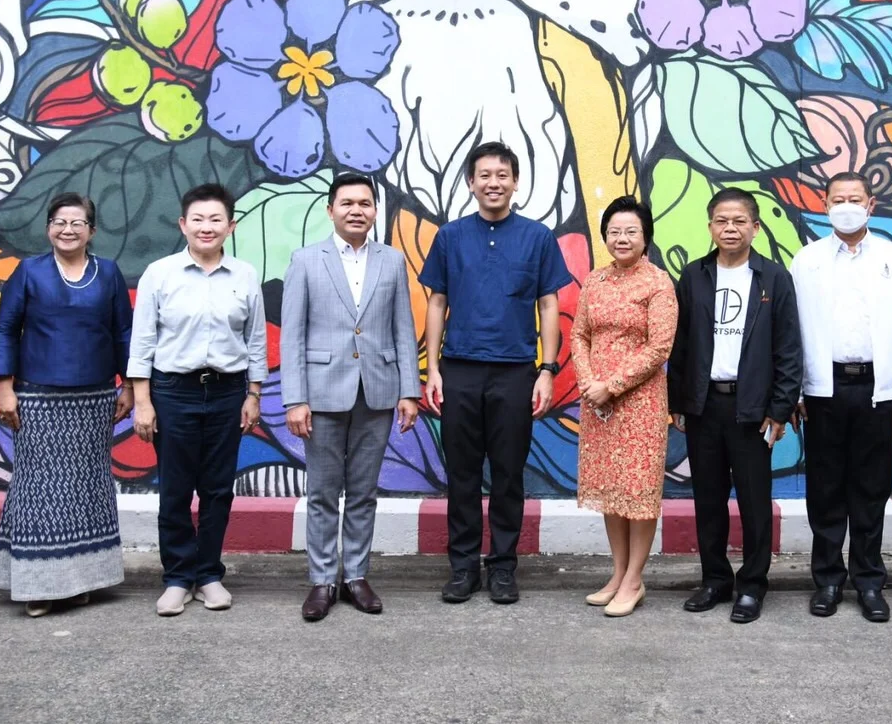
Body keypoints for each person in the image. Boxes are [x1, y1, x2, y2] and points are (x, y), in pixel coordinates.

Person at [420, 142, 573, 605]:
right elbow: (437, 302)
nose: (493, 183)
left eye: (502, 175)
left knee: (508, 474)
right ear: (471, 182)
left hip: (515, 373)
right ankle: (463, 567)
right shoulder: (450, 236)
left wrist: (547, 370)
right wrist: (433, 369)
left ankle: (503, 567)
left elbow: (549, 304)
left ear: (516, 182)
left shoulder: (537, 237)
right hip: (460, 370)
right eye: (484, 175)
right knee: (462, 474)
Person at [280, 173, 421, 623]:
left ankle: (356, 576)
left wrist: (409, 391)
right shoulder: (306, 260)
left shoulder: (392, 261)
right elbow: (292, 335)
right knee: (323, 492)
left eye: (365, 203)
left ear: (375, 210)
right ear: (330, 210)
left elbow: (402, 329)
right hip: (321, 394)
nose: (356, 210)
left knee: (363, 492)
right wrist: (294, 399)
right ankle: (322, 580)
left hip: (377, 392)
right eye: (347, 203)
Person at [0, 193, 134, 617]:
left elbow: (123, 332)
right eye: (59, 222)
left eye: (77, 223)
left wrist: (128, 386)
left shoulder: (108, 272)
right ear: (48, 227)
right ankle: (38, 585)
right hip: (37, 396)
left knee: (86, 487)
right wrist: (4, 387)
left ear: (92, 230)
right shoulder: (28, 271)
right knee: (39, 487)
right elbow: (6, 330)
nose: (67, 230)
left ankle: (80, 581)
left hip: (95, 398)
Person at [128, 183, 267, 617]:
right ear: (183, 224)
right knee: (175, 489)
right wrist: (143, 401)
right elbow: (143, 341)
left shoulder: (245, 275)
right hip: (173, 392)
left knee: (217, 489)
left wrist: (254, 394)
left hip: (227, 393)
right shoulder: (159, 274)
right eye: (198, 219)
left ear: (231, 226)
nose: (207, 227)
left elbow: (256, 340)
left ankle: (208, 575)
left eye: (216, 219)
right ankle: (176, 577)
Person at [790, 171, 892, 623]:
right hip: (822, 389)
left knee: (871, 489)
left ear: (871, 205)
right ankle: (827, 581)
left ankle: (868, 582)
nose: (847, 206)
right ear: (825, 204)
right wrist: (796, 390)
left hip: (875, 390)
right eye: (838, 199)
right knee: (825, 490)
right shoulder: (806, 260)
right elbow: (793, 330)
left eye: (855, 199)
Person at [668, 188, 802, 624]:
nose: (730, 228)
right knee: (708, 500)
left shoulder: (774, 278)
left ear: (755, 227)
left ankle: (752, 586)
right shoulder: (694, 275)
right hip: (705, 406)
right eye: (722, 221)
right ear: (710, 227)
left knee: (754, 502)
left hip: (753, 410)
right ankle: (715, 580)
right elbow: (681, 344)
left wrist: (779, 409)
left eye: (739, 221)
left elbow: (788, 347)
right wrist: (678, 402)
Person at [572, 195, 677, 618]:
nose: (622, 238)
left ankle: (635, 579)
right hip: (597, 405)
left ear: (645, 236)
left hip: (640, 404)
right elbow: (580, 335)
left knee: (638, 491)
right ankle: (617, 574)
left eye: (631, 231)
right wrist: (588, 383)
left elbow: (659, 347)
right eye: (614, 231)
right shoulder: (594, 281)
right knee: (610, 491)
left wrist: (612, 386)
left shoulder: (658, 283)